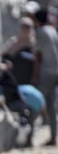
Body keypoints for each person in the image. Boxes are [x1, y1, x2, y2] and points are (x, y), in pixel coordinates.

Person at [33, 8, 58, 146]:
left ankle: (28, 135)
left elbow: (38, 56)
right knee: (51, 105)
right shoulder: (53, 30)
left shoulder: (40, 33)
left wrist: (35, 76)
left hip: (46, 73)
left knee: (36, 102)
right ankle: (53, 136)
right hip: (56, 71)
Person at [1, 16, 36, 87]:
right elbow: (4, 56)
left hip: (30, 74)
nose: (25, 30)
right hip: (16, 73)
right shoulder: (13, 42)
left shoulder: (35, 43)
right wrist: (7, 62)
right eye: (24, 27)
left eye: (28, 27)